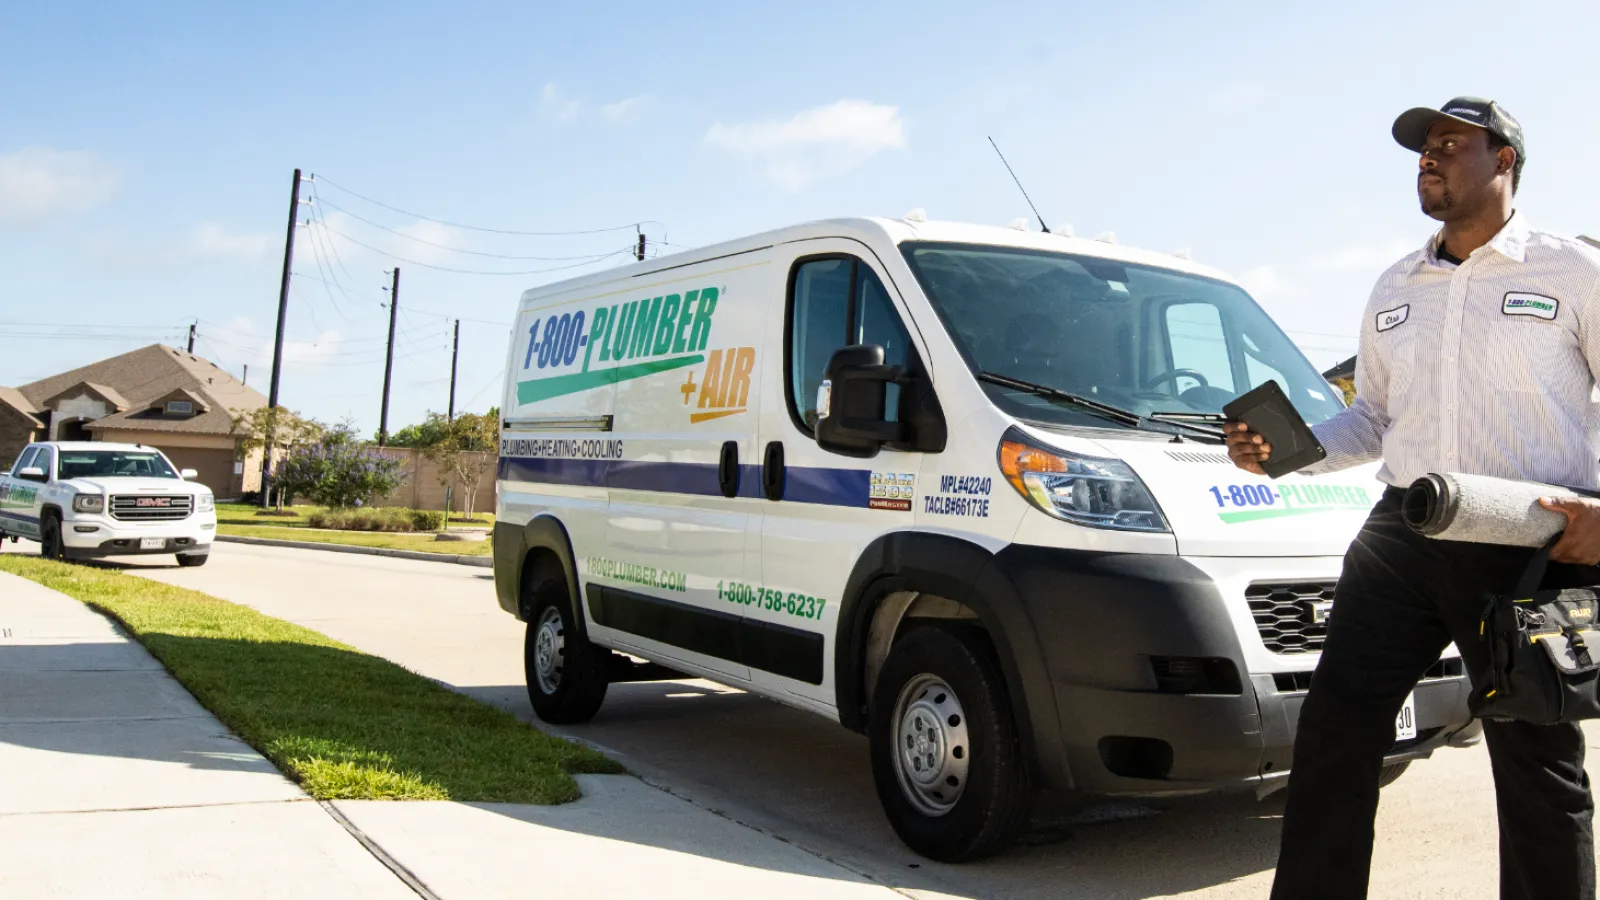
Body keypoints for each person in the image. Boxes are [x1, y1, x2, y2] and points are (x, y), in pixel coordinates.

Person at [1225, 97, 1600, 900]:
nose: (1428, 158)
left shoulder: (1573, 271)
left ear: (1504, 161)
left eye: (1449, 144)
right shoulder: (1397, 284)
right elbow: (1372, 417)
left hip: (1524, 539)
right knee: (1334, 735)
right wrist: (1286, 456)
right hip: (1402, 531)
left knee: (1537, 762)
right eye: (1423, 148)